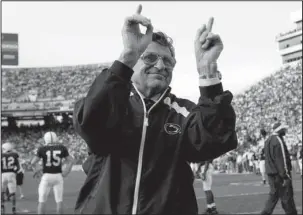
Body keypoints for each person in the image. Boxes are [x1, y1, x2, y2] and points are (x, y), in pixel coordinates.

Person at [73, 5, 238, 214]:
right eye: (150, 58)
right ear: (133, 65)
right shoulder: (113, 101)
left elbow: (215, 140)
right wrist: (128, 54)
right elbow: (89, 122)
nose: (160, 66)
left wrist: (207, 72)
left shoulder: (183, 112)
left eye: (168, 61)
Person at [31, 131, 74, 215]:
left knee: (42, 201)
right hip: (58, 176)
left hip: (46, 176)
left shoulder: (42, 149)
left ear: (45, 139)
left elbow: (33, 162)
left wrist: (37, 171)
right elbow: (71, 161)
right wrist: (66, 171)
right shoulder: (62, 147)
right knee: (59, 201)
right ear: (56, 138)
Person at [261, 122, 298, 215]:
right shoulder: (278, 140)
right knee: (287, 197)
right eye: (283, 129)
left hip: (271, 173)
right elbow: (282, 160)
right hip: (279, 174)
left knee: (273, 197)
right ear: (279, 130)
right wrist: (285, 176)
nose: (285, 131)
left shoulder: (268, 140)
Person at [1, 142, 21, 215]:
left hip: (3, 174)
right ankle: (13, 208)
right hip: (11, 174)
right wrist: (14, 172)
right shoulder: (15, 154)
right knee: (13, 193)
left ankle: (2, 206)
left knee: (2, 192)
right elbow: (18, 167)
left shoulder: (1, 155)